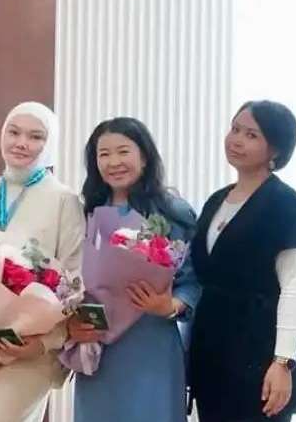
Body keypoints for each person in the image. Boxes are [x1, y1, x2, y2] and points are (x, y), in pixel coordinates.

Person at [67, 117, 199, 421]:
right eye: (104, 154)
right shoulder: (84, 213)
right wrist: (71, 322)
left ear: (145, 157)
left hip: (151, 341)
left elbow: (194, 281)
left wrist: (170, 306)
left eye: (123, 151)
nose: (114, 162)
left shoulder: (173, 212)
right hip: (99, 346)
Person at [0, 102, 84, 422]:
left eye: (35, 136)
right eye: (14, 132)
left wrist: (43, 343)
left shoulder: (64, 201)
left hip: (32, 348)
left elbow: (73, 279)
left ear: (50, 143)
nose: (21, 143)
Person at [190, 101, 296, 421]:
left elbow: (294, 289)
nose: (236, 140)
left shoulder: (290, 206)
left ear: (276, 148)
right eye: (235, 129)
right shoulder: (216, 200)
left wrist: (283, 362)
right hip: (213, 345)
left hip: (261, 349)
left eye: (251, 135)